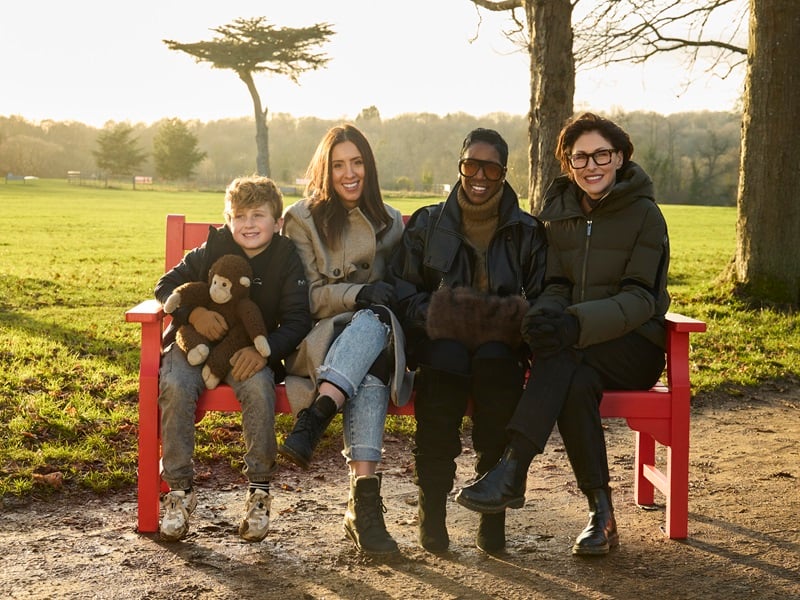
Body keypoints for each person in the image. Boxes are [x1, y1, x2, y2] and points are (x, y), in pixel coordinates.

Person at [455, 112, 671, 556]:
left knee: (567, 355)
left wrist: (574, 323)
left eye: (601, 155)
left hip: (634, 347)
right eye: (579, 158)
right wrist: (545, 315)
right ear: (568, 164)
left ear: (620, 157)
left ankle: (513, 470)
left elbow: (641, 298)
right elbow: (556, 284)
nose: (591, 166)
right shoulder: (561, 215)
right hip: (578, 351)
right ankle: (601, 516)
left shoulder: (646, 215)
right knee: (571, 376)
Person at [388, 128, 547, 554]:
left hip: (501, 346)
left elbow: (541, 298)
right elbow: (402, 291)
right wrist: (441, 314)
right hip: (442, 340)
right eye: (471, 165)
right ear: (460, 166)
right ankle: (432, 511)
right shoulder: (427, 223)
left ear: (503, 173)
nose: (480, 175)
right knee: (445, 365)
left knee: (497, 366)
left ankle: (491, 517)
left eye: (490, 167)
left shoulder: (527, 231)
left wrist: (509, 324)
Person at [154, 176, 311, 542]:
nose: (249, 224)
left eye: (259, 215)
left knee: (259, 390)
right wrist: (192, 316)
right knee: (175, 385)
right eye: (240, 216)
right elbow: (166, 286)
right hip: (194, 346)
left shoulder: (286, 258)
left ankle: (259, 490)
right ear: (228, 219)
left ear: (277, 221)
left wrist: (263, 349)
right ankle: (179, 490)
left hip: (249, 352)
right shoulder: (213, 247)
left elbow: (298, 318)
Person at [280, 123, 411, 556]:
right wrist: (356, 293)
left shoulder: (390, 222)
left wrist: (375, 301)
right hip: (320, 340)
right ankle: (364, 508)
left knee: (374, 333)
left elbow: (398, 292)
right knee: (368, 358)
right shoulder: (301, 220)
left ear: (369, 168)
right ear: (325, 169)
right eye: (338, 165)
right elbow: (307, 298)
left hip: (372, 336)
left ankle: (317, 418)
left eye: (357, 163)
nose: (349, 173)